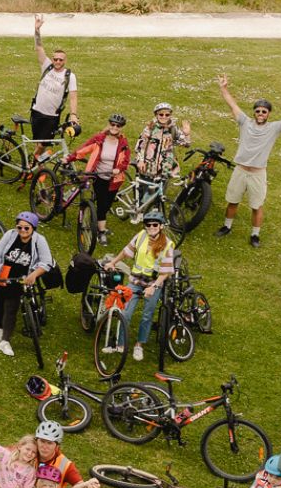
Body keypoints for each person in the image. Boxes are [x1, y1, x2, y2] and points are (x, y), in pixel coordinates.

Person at [216, 77, 281, 247]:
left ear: (269, 114)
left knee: (256, 206)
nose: (260, 114)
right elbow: (232, 105)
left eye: (264, 112)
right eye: (258, 111)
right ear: (254, 112)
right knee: (232, 201)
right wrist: (223, 88)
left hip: (258, 173)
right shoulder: (244, 122)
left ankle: (255, 235)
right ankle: (226, 227)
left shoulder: (274, 128)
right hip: (240, 170)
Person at [99, 210, 175, 362]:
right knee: (125, 312)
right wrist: (113, 262)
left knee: (147, 316)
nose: (151, 227)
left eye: (155, 224)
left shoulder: (167, 245)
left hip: (154, 283)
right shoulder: (141, 236)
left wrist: (153, 287)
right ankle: (120, 344)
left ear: (160, 226)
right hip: (135, 281)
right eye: (148, 224)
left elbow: (166, 272)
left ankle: (139, 345)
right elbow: (126, 252)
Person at [0, 210, 55, 357]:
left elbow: (46, 262)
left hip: (23, 277)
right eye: (20, 227)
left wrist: (34, 275)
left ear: (33, 229)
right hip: (3, 273)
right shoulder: (10, 235)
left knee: (11, 306)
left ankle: (5, 340)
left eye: (26, 228)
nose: (22, 230)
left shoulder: (39, 240)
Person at [68, 114, 130, 246]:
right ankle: (101, 231)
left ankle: (96, 221)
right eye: (112, 124)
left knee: (107, 204)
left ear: (121, 128)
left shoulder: (123, 143)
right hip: (99, 176)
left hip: (115, 180)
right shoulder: (99, 139)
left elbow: (125, 161)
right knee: (102, 205)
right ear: (109, 124)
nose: (114, 127)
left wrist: (119, 169)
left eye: (118, 126)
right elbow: (83, 150)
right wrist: (69, 158)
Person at [29, 14, 79, 144]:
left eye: (60, 60)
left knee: (44, 144)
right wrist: (37, 30)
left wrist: (73, 114)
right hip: (37, 111)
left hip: (52, 116)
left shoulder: (70, 76)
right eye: (55, 59)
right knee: (36, 141)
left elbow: (73, 97)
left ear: (65, 60)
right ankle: (36, 164)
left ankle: (36, 162)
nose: (57, 61)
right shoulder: (47, 66)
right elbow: (39, 47)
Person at [131, 102, 192, 182]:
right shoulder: (150, 128)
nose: (164, 117)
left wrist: (186, 134)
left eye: (167, 115)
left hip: (166, 168)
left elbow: (186, 144)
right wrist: (141, 160)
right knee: (145, 189)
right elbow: (141, 145)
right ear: (156, 115)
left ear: (170, 115)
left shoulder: (173, 129)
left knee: (161, 190)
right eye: (161, 114)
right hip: (148, 165)